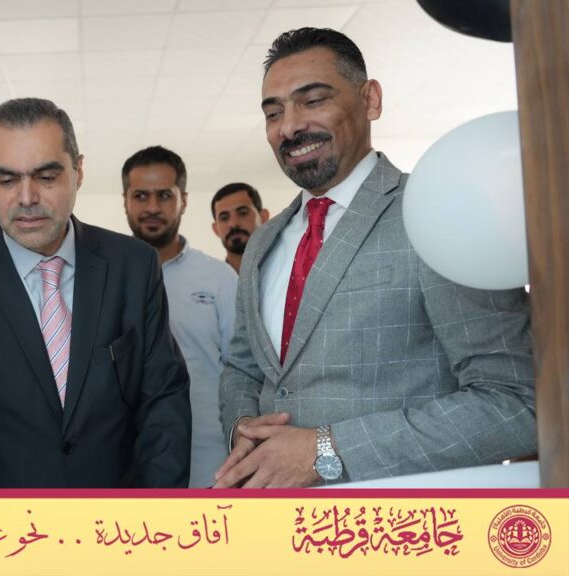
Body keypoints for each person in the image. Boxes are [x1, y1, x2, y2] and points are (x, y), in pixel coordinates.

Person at [215, 28, 536, 488]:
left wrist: (325, 451)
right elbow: (243, 368)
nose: (289, 127)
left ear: (370, 100)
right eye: (273, 112)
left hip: (401, 520)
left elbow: (516, 402)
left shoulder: (440, 213)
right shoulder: (264, 242)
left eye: (312, 100)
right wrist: (243, 427)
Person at [0, 98, 192, 488]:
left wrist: (159, 510)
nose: (27, 198)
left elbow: (163, 399)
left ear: (78, 171)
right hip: (1, 516)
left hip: (118, 514)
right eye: (7, 180)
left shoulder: (133, 265)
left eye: (46, 177)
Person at [121, 145, 236, 488]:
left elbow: (244, 371)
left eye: (164, 196)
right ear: (125, 200)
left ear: (183, 201)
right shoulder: (107, 278)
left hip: (210, 466)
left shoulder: (218, 278)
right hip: (125, 465)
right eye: (140, 195)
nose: (152, 207)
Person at [210, 182, 269, 273]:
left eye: (243, 213)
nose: (233, 223)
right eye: (224, 218)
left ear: (263, 217)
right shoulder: (209, 280)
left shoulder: (287, 272)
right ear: (216, 229)